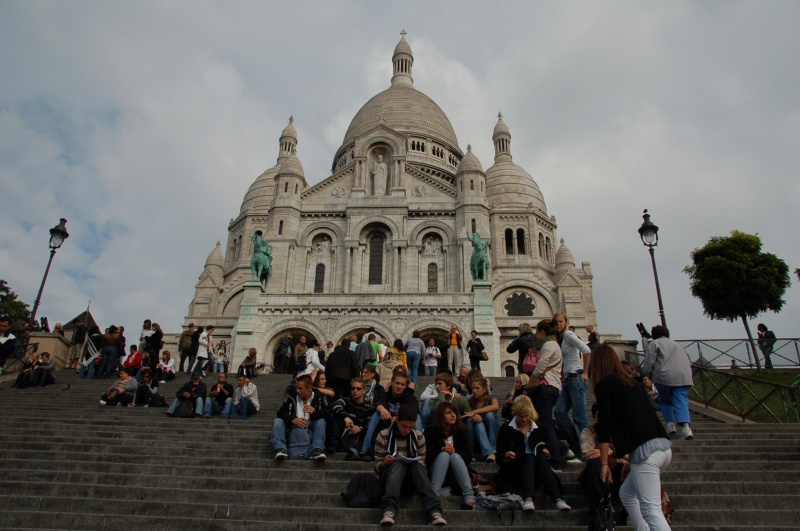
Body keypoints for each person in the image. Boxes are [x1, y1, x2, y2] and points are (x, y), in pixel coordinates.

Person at [594, 344, 672, 530]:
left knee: (651, 510)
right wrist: (630, 460)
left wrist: (604, 463)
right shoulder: (632, 383)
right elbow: (640, 420)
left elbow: (605, 424)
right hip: (662, 448)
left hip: (646, 453)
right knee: (627, 494)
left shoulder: (605, 384)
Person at [495, 395, 572, 512]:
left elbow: (548, 448)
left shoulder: (539, 427)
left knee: (538, 458)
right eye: (521, 416)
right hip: (514, 470)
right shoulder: (506, 428)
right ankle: (528, 498)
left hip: (537, 469)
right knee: (529, 458)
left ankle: (558, 499)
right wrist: (506, 455)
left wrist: (546, 452)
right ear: (515, 413)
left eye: (527, 416)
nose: (524, 419)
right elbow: (499, 457)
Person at [374, 403, 446, 526]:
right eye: (404, 426)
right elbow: (377, 467)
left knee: (417, 466)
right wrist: (385, 463)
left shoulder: (419, 436)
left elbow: (423, 462)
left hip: (411, 480)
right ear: (397, 420)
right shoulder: (383, 435)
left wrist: (421, 463)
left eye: (411, 427)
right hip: (389, 480)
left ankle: (434, 510)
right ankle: (389, 509)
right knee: (398, 464)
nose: (407, 430)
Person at [524, 318, 564, 469]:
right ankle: (557, 451)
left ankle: (557, 458)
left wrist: (529, 385)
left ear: (542, 331)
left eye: (537, 332)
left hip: (545, 387)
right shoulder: (555, 344)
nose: (536, 336)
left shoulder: (548, 345)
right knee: (543, 422)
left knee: (546, 424)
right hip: (554, 386)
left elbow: (540, 368)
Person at [642, 325, 694, 440]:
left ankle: (670, 424)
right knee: (681, 401)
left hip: (664, 376)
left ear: (654, 335)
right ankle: (686, 428)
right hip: (683, 376)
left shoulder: (654, 344)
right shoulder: (677, 345)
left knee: (665, 401)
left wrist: (647, 373)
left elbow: (649, 362)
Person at [553, 312, 591, 461]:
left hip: (576, 378)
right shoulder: (561, 338)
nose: (558, 324)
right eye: (556, 322)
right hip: (568, 380)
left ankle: (586, 451)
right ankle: (576, 446)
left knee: (580, 418)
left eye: (561, 321)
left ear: (566, 322)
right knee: (559, 411)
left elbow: (586, 349)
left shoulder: (568, 334)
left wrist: (585, 372)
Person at [424, 402, 475, 509]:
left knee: (454, 456)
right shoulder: (430, 432)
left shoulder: (461, 431)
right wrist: (441, 450)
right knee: (444, 455)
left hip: (456, 473)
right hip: (437, 472)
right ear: (441, 415)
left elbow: (468, 457)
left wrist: (454, 452)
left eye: (454, 413)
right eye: (449, 413)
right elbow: (427, 458)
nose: (453, 415)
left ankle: (469, 496)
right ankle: (434, 495)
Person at [579, 402, 627, 517]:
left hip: (617, 477)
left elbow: (629, 456)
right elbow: (587, 454)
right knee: (595, 463)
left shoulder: (619, 432)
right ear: (594, 416)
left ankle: (629, 513)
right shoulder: (588, 432)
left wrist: (608, 452)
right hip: (595, 476)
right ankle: (598, 512)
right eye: (600, 415)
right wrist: (614, 456)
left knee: (632, 467)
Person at [359, 371, 419, 460]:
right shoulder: (385, 394)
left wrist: (399, 417)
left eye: (402, 384)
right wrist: (382, 409)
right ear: (392, 382)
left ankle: (418, 451)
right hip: (386, 422)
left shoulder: (410, 397)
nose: (399, 386)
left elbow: (414, 409)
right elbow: (378, 403)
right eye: (397, 383)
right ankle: (365, 450)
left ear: (405, 386)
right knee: (376, 414)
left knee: (418, 418)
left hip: (403, 423)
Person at [270, 374, 328, 460]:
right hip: (293, 429)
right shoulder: (291, 396)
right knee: (278, 421)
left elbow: (328, 415)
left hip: (311, 429)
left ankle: (316, 449)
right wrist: (292, 419)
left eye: (300, 388)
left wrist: (315, 412)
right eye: (296, 387)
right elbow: (281, 413)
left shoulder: (320, 397)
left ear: (309, 388)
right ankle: (280, 449)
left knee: (321, 421)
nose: (297, 391)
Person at [331, 376, 375, 460]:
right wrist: (346, 416)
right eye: (353, 388)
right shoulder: (347, 401)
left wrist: (360, 428)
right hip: (345, 428)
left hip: (359, 433)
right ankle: (334, 444)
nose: (355, 391)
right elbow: (335, 404)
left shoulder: (369, 407)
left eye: (358, 389)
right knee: (337, 413)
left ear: (364, 390)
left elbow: (369, 424)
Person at [464, 377, 499, 462]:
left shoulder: (490, 397)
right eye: (473, 388)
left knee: (490, 415)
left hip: (489, 430)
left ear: (484, 389)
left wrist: (475, 412)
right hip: (476, 432)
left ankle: (493, 449)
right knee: (476, 422)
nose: (474, 391)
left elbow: (495, 406)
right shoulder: (469, 400)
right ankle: (484, 452)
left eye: (477, 388)